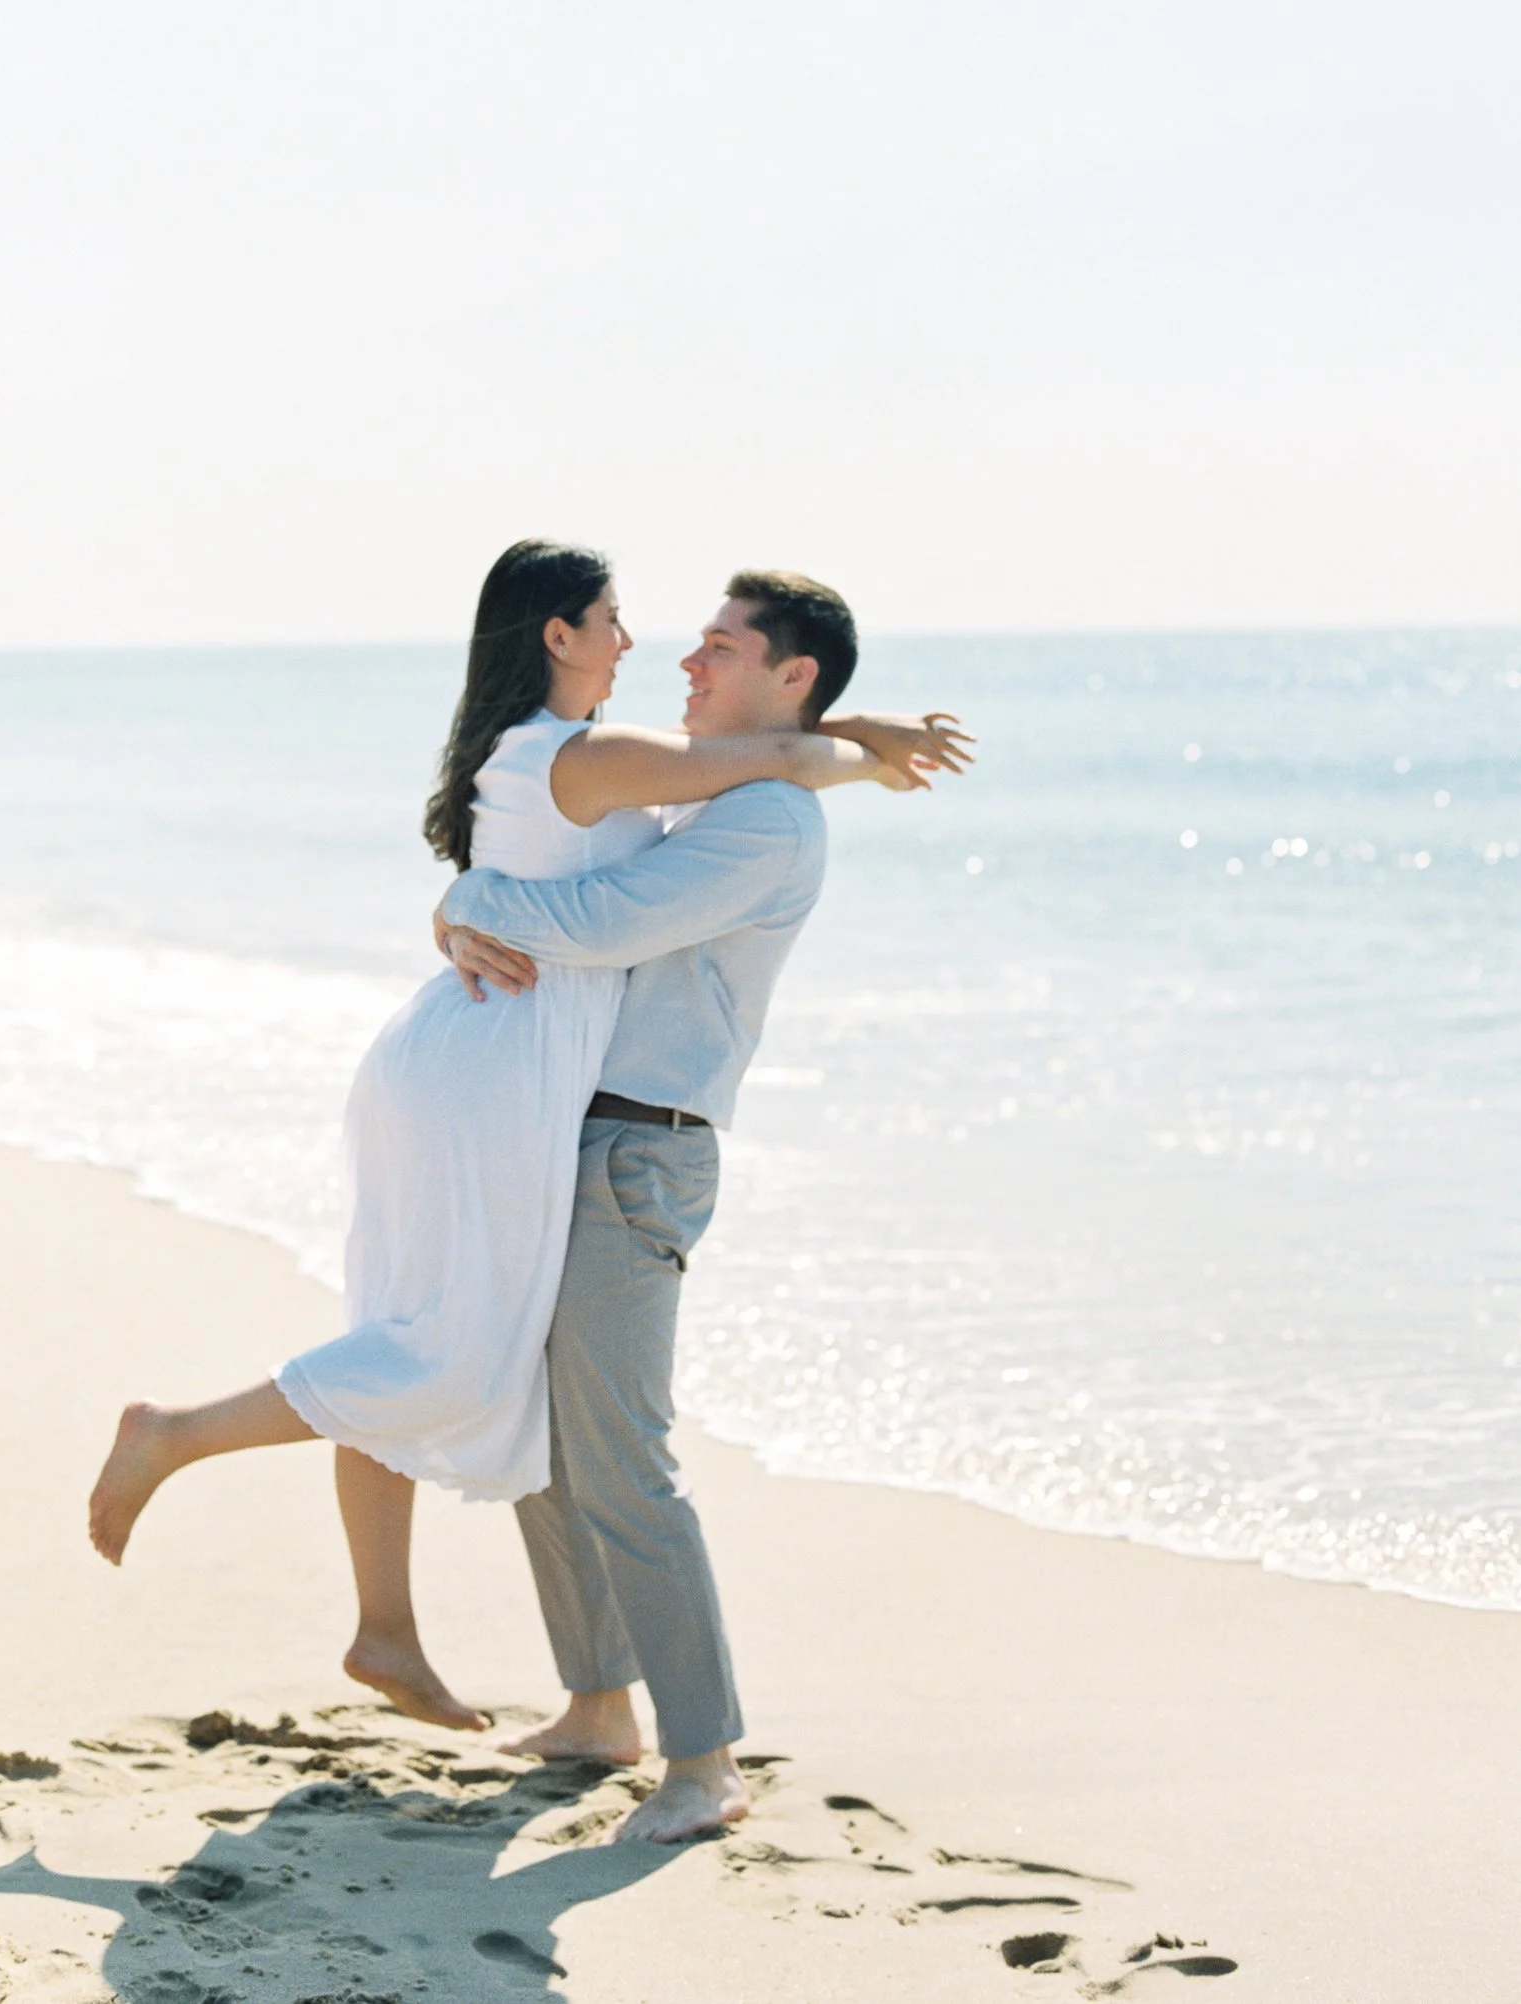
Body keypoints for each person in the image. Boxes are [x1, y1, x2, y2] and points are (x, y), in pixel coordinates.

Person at [86, 541, 962, 1739]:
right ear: (558, 635)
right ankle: (183, 1440)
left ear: (789, 672)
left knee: (449, 1359)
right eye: (620, 620)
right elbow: (749, 771)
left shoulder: (688, 790)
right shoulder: (612, 760)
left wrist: (855, 737)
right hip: (506, 1078)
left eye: (716, 644)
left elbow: (715, 807)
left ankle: (455, 1652)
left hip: (527, 1087)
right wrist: (467, 905)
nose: (662, 651)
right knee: (446, 1357)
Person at [436, 570, 971, 1841]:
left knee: (624, 1459)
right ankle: (597, 1706)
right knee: (545, 1438)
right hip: (573, 1130)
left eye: (721, 648)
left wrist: (463, 901)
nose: (687, 661)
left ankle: (704, 1759)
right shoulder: (717, 791)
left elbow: (600, 922)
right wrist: (853, 737)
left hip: (639, 1150)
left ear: (792, 676)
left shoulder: (767, 821)